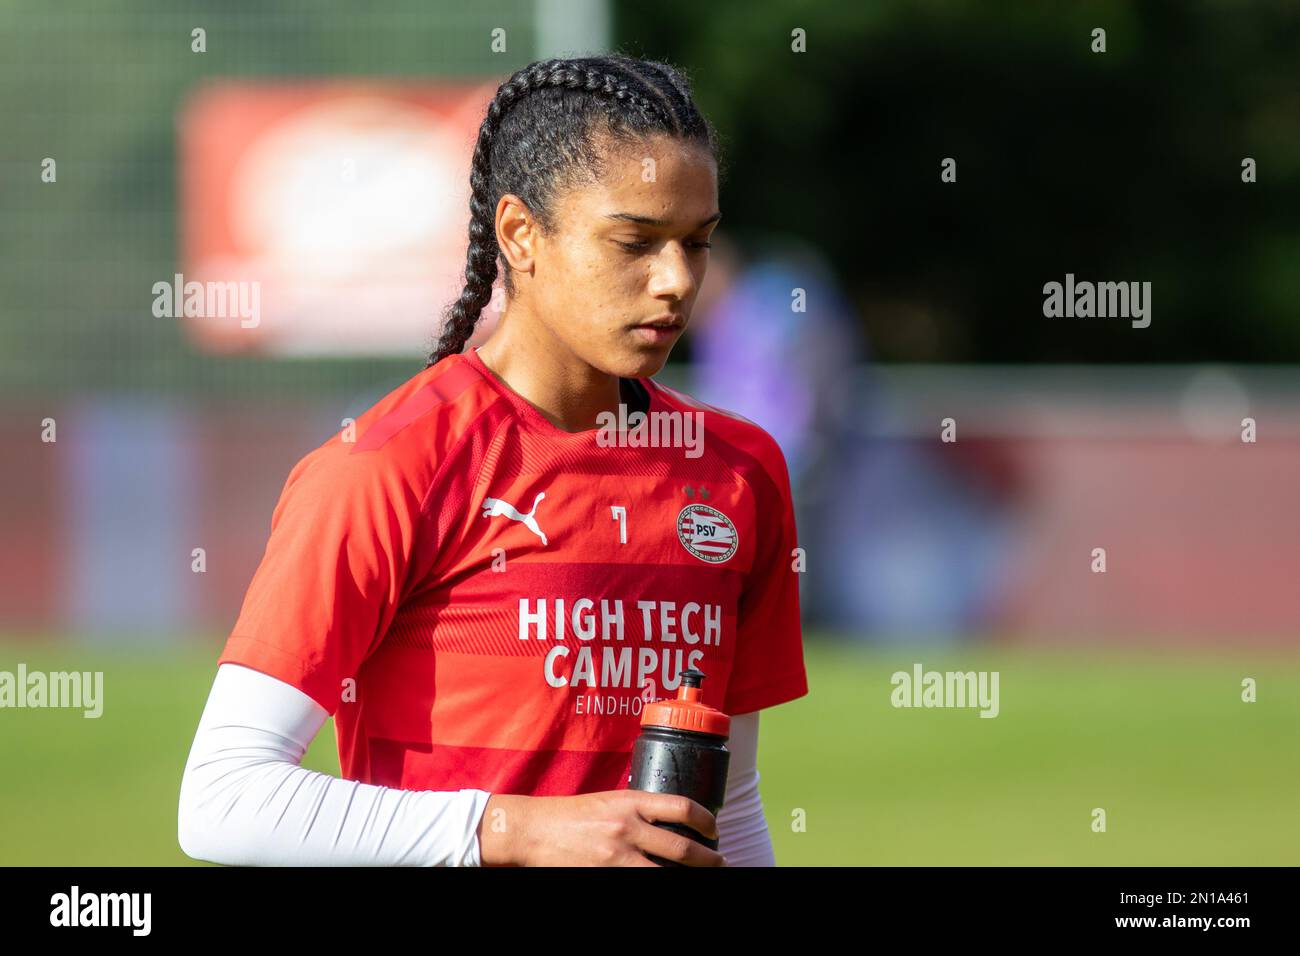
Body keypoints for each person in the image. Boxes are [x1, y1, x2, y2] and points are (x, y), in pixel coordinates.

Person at [177, 54, 808, 867]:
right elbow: (222, 796)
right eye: (635, 242)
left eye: (697, 242)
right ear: (520, 234)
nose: (676, 281)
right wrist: (518, 831)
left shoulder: (739, 473)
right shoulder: (387, 465)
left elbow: (736, 810)